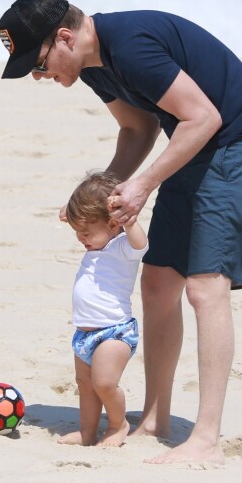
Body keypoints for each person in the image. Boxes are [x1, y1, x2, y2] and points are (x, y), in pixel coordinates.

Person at [0, 0, 242, 464]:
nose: (40, 77)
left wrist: (144, 184)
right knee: (157, 281)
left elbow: (205, 116)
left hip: (235, 144)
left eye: (39, 64)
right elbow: (138, 130)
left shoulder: (130, 46)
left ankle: (206, 440)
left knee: (205, 287)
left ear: (64, 37)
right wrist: (96, 200)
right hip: (191, 143)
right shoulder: (93, 63)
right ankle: (155, 419)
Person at [59, 171, 148, 447]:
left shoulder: (121, 247)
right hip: (84, 334)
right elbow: (83, 215)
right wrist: (73, 212)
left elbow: (141, 243)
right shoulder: (94, 246)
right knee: (85, 386)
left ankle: (117, 424)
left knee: (104, 383)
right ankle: (87, 432)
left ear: (112, 223)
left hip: (114, 333)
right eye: (77, 232)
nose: (80, 238)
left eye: (85, 232)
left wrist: (129, 220)